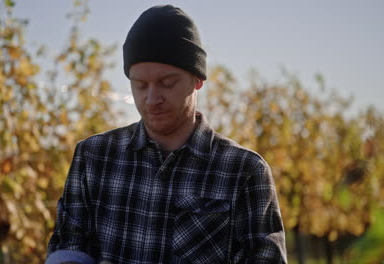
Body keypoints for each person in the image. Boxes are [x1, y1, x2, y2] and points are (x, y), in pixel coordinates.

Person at [46, 5, 287, 264]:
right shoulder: (93, 157)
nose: (151, 99)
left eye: (167, 83)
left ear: (198, 79)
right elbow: (70, 247)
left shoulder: (244, 170)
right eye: (140, 85)